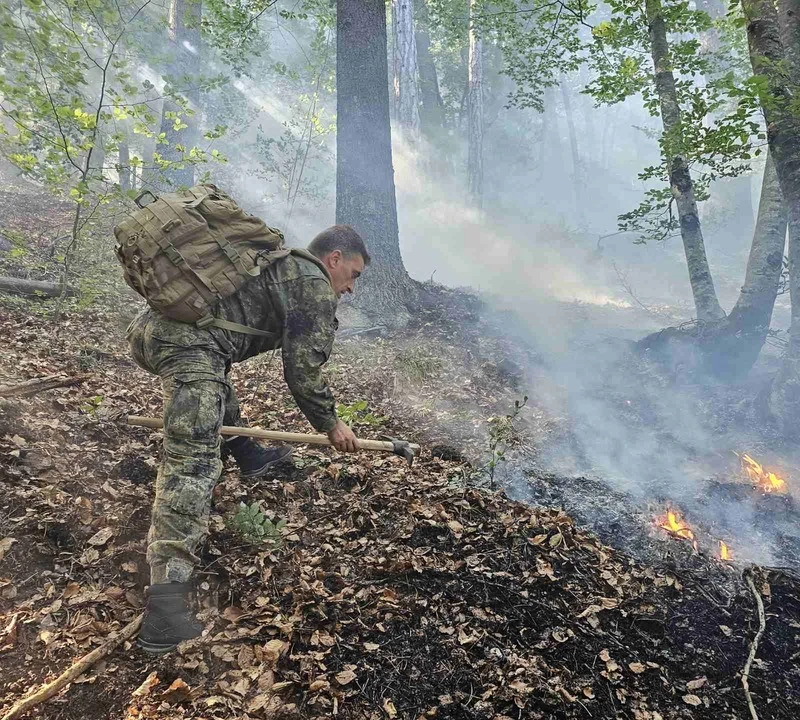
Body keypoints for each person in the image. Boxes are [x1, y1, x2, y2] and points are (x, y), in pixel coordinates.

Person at [126, 224, 369, 654]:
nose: (350, 288)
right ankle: (164, 610)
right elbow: (303, 372)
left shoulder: (283, 263)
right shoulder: (312, 283)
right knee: (191, 463)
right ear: (334, 258)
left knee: (214, 386)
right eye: (353, 274)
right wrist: (332, 425)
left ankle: (249, 453)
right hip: (185, 343)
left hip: (161, 332)